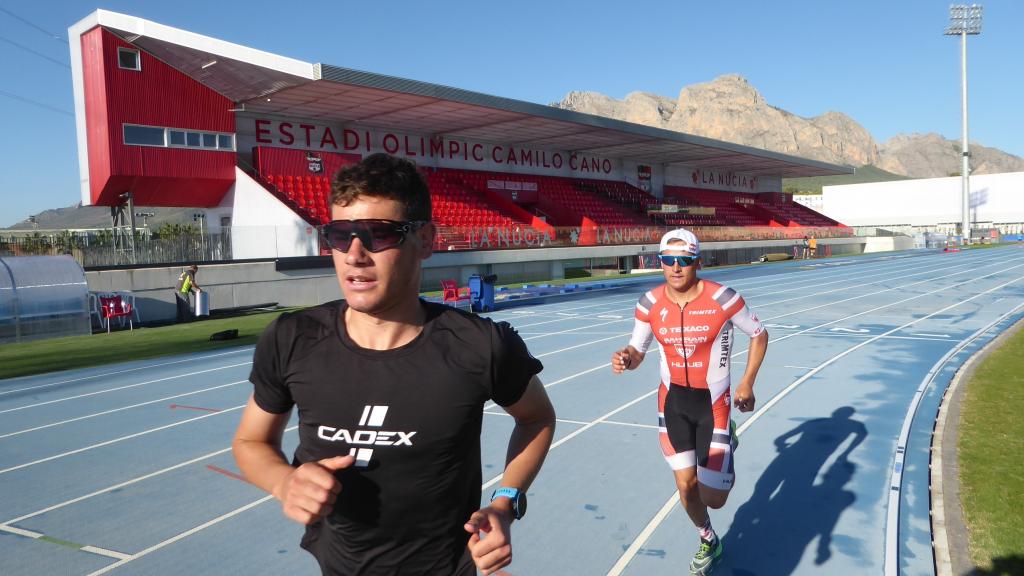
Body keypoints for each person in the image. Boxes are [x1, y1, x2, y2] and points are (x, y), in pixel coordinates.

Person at [232, 153, 556, 576]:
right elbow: (250, 443)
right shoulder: (293, 338)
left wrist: (504, 503)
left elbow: (537, 418)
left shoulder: (481, 345)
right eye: (339, 234)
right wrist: (284, 481)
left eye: (377, 234)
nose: (353, 254)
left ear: (425, 241)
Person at [610, 228, 769, 575]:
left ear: (697, 262)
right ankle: (708, 538)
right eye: (668, 260)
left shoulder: (723, 298)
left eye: (684, 260)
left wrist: (747, 382)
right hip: (673, 404)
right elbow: (638, 351)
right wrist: (626, 357)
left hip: (714, 403)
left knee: (715, 498)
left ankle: (730, 435)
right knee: (686, 485)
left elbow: (759, 335)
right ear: (660, 262)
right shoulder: (649, 303)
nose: (676, 267)